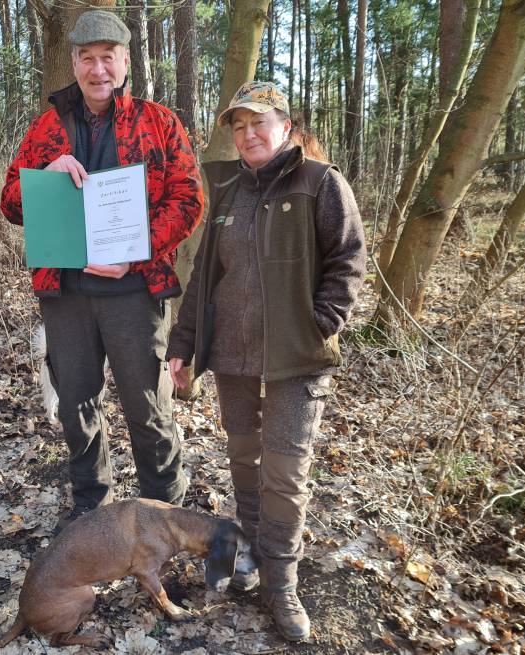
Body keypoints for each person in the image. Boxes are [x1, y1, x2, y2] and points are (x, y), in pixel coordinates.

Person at [166, 81, 366, 641]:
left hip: (296, 358)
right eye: (238, 125)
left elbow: (349, 259)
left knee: (285, 469)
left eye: (259, 123)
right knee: (245, 457)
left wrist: (321, 321)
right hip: (233, 353)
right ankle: (251, 554)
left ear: (285, 127)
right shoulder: (228, 192)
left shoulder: (320, 183)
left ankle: (282, 581)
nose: (248, 134)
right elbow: (206, 276)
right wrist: (183, 345)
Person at [0, 10, 204, 533]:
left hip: (135, 291)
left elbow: (188, 199)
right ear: (73, 62)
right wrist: (42, 175)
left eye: (107, 57)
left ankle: (165, 512)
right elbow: (10, 203)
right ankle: (93, 506)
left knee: (147, 406)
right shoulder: (47, 127)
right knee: (75, 403)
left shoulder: (159, 122)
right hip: (65, 291)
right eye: (87, 58)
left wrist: (135, 254)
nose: (97, 69)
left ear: (125, 60)